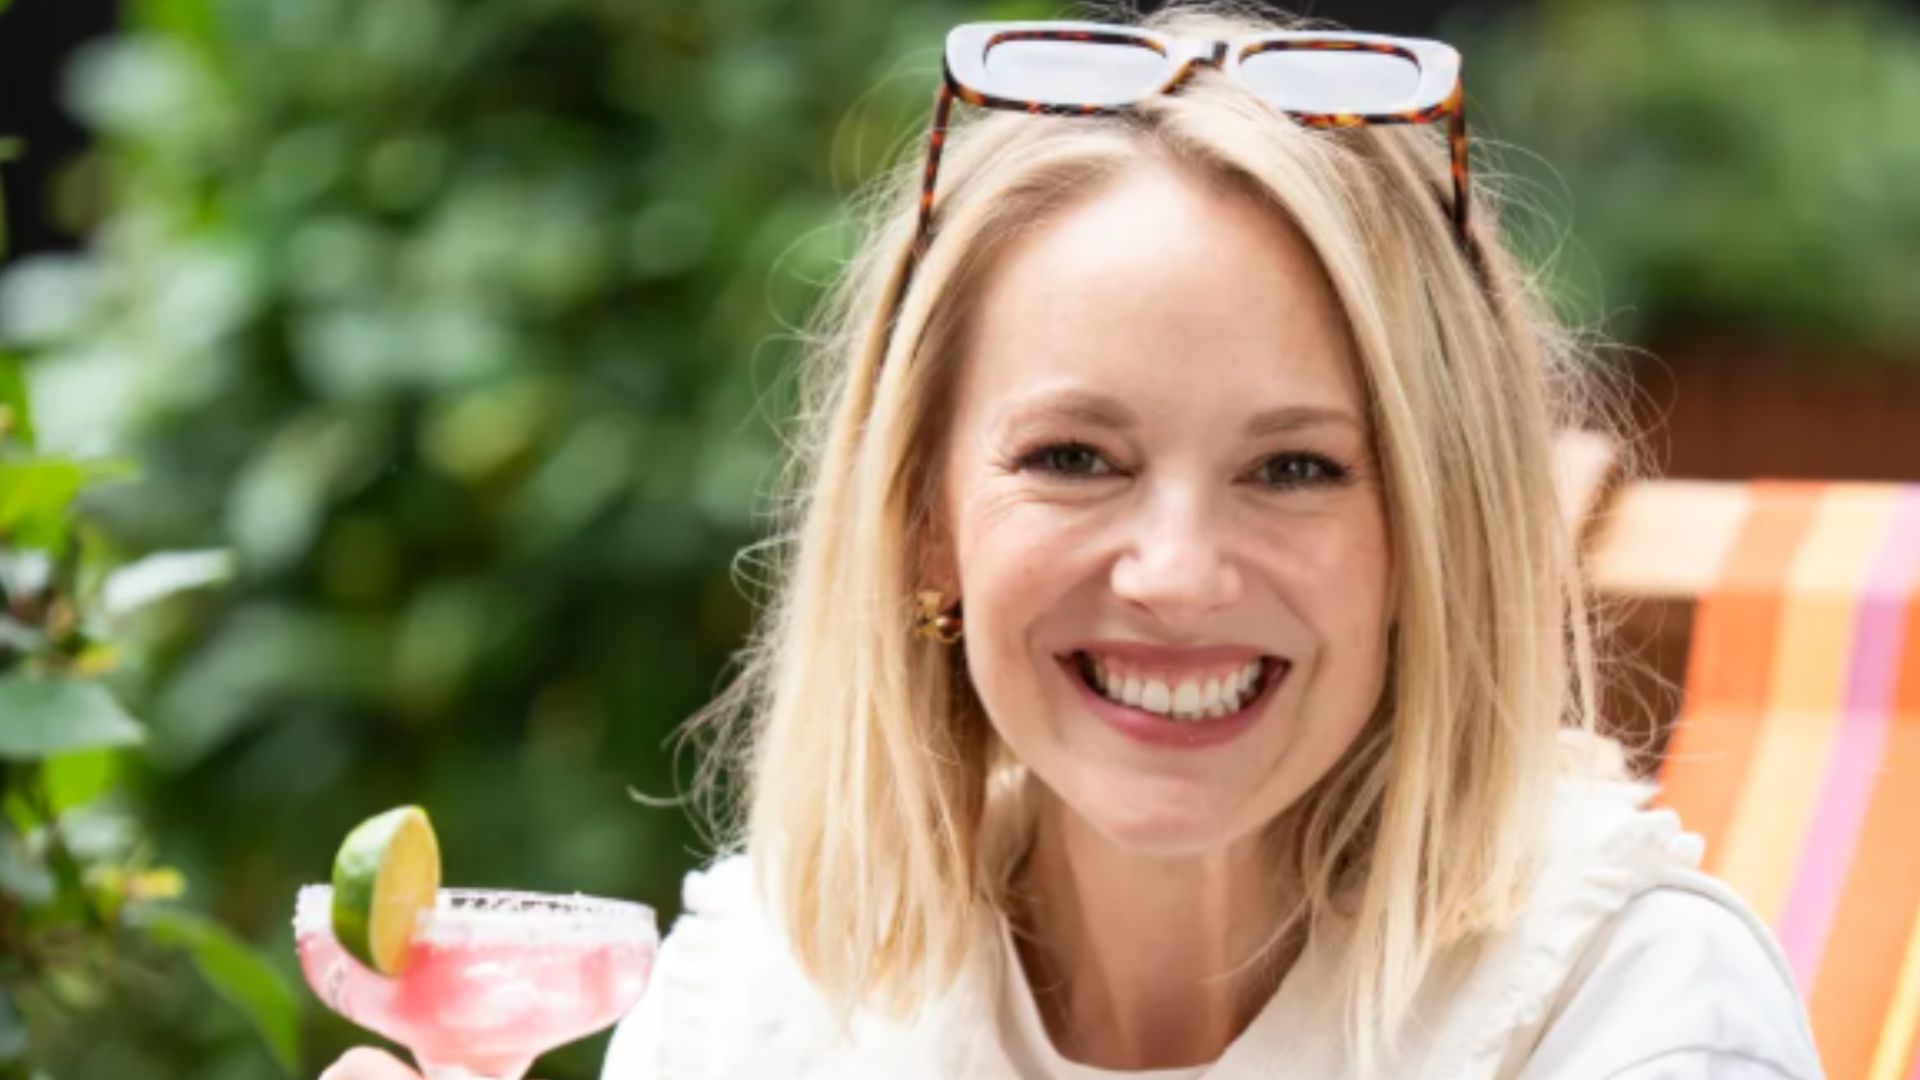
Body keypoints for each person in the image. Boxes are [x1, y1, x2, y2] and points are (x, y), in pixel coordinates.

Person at [322, 6, 1822, 1078]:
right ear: (924, 522)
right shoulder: (769, 997)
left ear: (1431, 540)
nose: (1176, 572)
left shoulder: (1628, 1009)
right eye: (1074, 460)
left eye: (1295, 468)